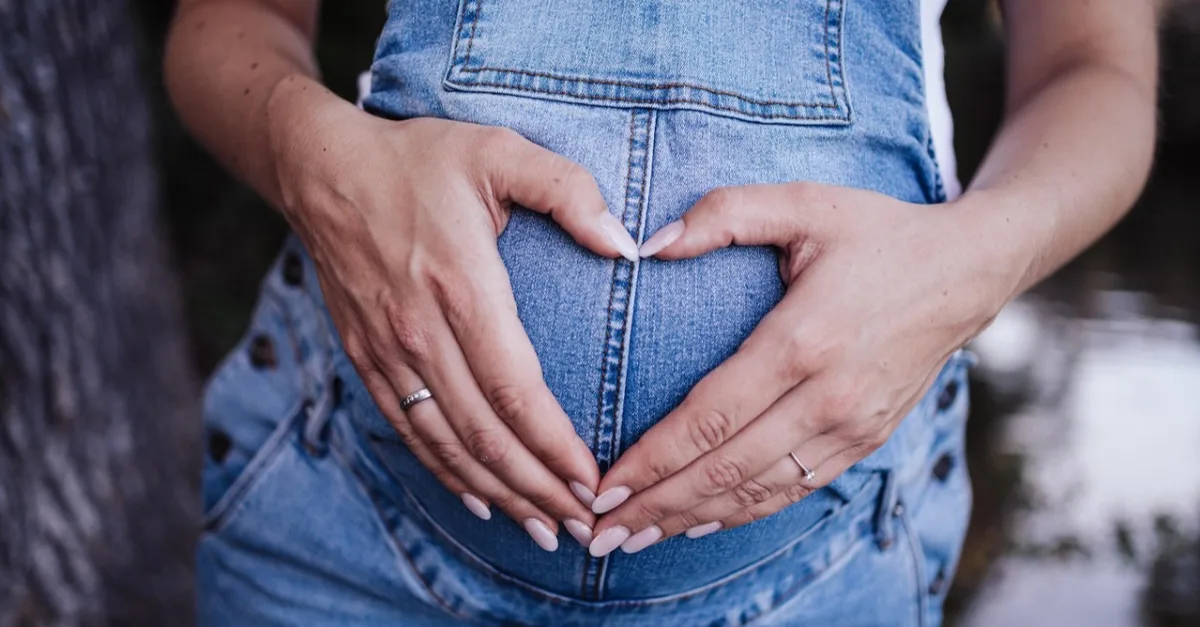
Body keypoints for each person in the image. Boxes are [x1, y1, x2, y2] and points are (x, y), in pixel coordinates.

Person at [165, 0, 1156, 624]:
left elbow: (1094, 67)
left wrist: (974, 261)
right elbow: (228, 24)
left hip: (823, 568)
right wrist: (314, 159)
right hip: (350, 530)